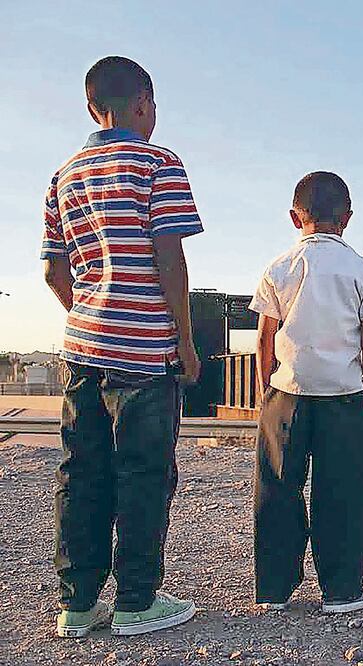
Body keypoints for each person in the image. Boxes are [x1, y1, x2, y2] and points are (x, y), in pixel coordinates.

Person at [42, 56, 202, 637]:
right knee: (144, 473)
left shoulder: (65, 173)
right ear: (143, 105)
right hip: (145, 352)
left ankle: (76, 606)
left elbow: (54, 272)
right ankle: (137, 600)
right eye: (154, 106)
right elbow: (170, 258)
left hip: (83, 348)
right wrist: (184, 341)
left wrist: (90, 313)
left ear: (92, 107)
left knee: (80, 471)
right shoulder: (159, 163)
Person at [250, 171, 363, 614]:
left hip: (286, 392)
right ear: (347, 218)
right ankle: (343, 590)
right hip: (344, 395)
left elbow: (264, 337)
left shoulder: (279, 267)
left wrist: (264, 390)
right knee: (345, 490)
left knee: (277, 487)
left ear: (295, 217)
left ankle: (274, 589)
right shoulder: (362, 270)